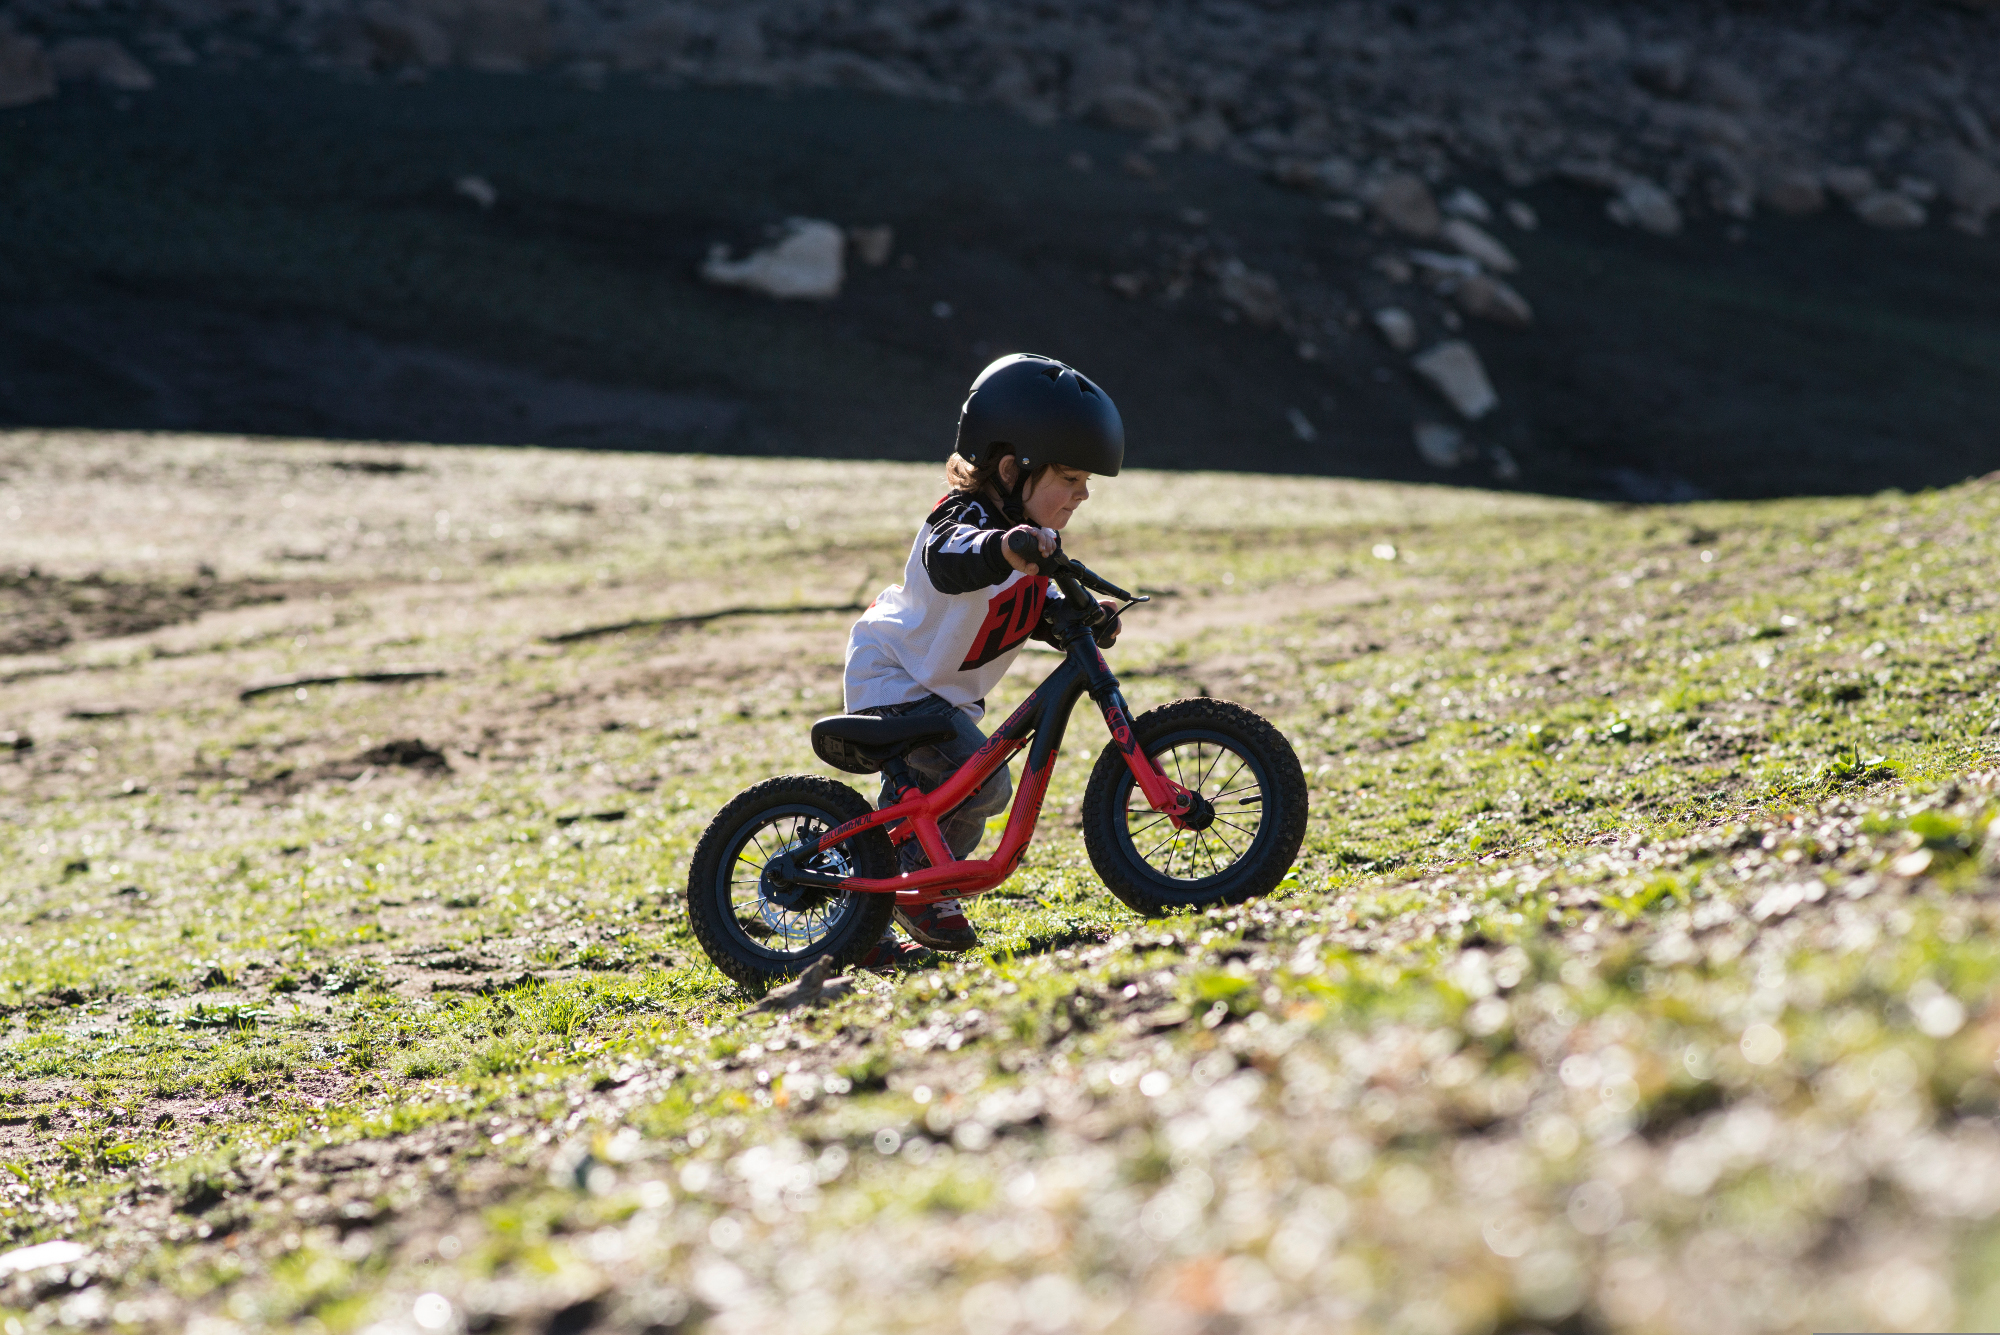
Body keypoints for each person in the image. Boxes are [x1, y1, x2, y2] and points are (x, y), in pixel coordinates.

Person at [842, 353, 1125, 967]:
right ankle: (916, 889)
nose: (1081, 495)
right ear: (1009, 469)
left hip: (937, 697)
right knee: (980, 779)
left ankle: (894, 898)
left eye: (1085, 483)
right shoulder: (963, 521)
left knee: (967, 786)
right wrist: (1005, 546)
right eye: (1070, 476)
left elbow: (1036, 600)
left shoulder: (1026, 545)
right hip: (895, 680)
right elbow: (955, 556)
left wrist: (1082, 612)